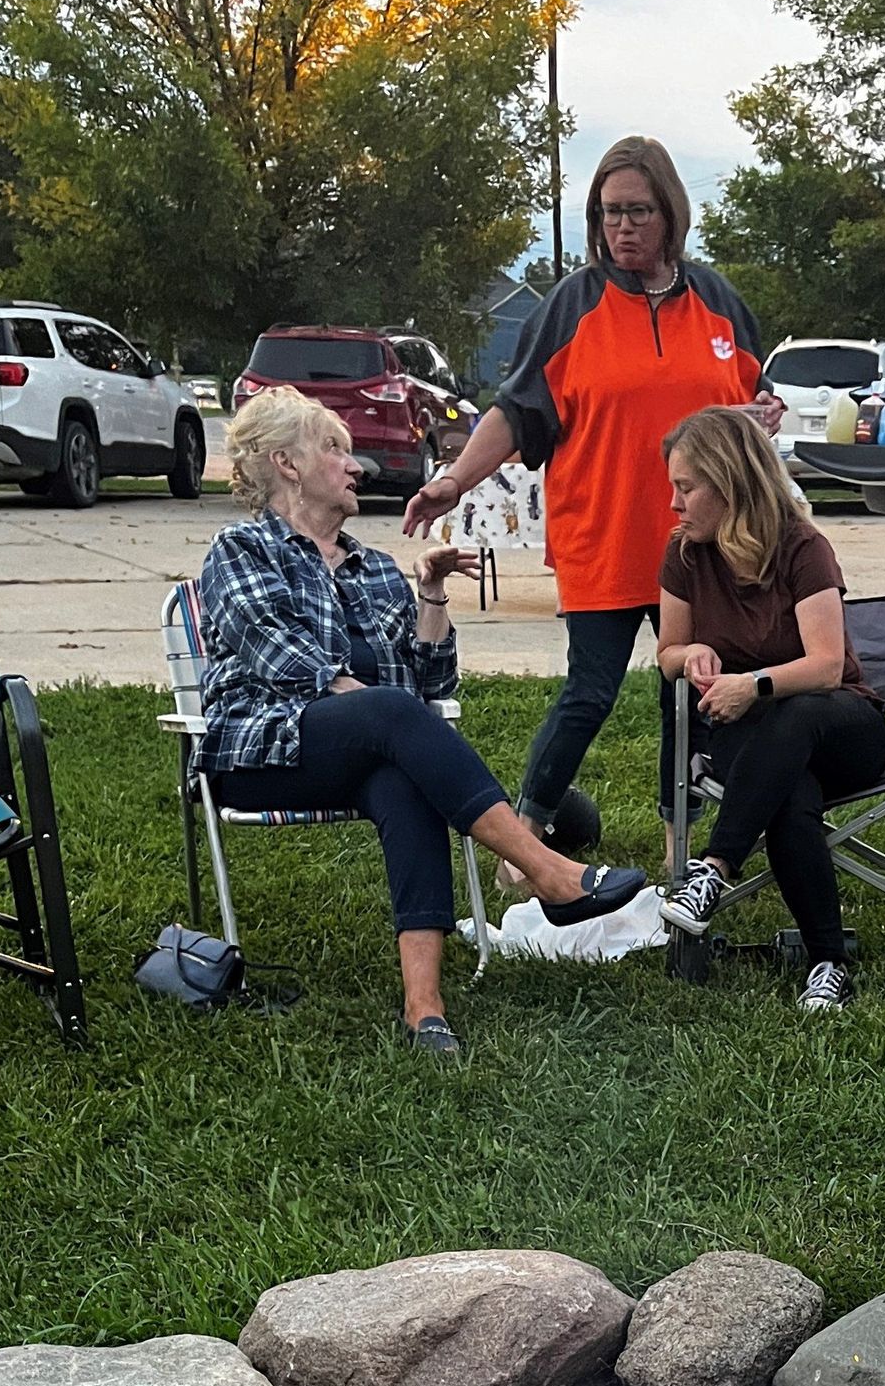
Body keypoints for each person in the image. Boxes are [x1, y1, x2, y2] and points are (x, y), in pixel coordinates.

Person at [198, 387, 647, 1056]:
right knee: (389, 717)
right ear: (286, 464)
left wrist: (431, 597)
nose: (355, 466)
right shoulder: (240, 550)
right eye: (334, 449)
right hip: (263, 754)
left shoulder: (376, 570)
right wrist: (380, 708)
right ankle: (545, 870)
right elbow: (282, 658)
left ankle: (425, 1009)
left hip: (361, 752)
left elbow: (428, 688)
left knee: (403, 778)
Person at [401, 134, 784, 867]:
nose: (623, 227)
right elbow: (517, 411)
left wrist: (763, 414)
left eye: (638, 211)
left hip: (702, 545)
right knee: (590, 692)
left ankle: (681, 847)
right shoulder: (572, 306)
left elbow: (751, 402)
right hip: (604, 538)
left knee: (690, 694)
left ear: (670, 213)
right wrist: (454, 481)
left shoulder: (719, 303)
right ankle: (524, 841)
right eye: (610, 212)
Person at [653, 407, 885, 1012]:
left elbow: (826, 667)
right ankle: (828, 965)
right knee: (789, 795)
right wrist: (690, 653)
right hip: (750, 735)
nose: (674, 504)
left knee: (795, 714)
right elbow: (667, 654)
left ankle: (714, 868)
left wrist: (751, 684)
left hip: (841, 726)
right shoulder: (685, 556)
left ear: (729, 483)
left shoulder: (803, 548)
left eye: (686, 487)